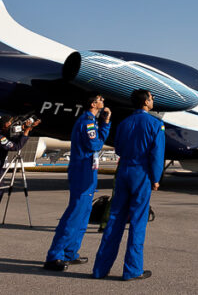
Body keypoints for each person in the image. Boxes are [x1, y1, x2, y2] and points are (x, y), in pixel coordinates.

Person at [92, 90, 165, 281]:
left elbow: (120, 149)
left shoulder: (124, 123)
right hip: (141, 173)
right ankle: (132, 270)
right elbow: (157, 155)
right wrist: (156, 178)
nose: (153, 100)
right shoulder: (156, 124)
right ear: (146, 102)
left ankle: (100, 269)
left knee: (115, 219)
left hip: (123, 170)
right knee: (138, 222)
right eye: (151, 97)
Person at [43, 95, 111, 271]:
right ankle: (54, 256)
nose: (103, 100)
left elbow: (97, 142)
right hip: (82, 171)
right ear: (93, 104)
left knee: (83, 215)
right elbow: (95, 145)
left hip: (88, 171)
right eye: (99, 99)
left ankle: (70, 253)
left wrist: (105, 123)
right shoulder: (87, 121)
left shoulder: (93, 122)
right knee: (74, 214)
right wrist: (103, 127)